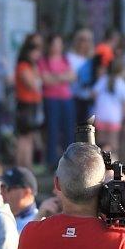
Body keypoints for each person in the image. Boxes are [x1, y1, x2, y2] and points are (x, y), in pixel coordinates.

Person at [40, 34, 76, 168]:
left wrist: (56, 77)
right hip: (51, 98)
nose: (57, 47)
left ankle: (69, 161)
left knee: (68, 130)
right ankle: (52, 162)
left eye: (59, 44)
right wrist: (62, 77)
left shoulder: (65, 59)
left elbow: (72, 76)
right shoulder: (43, 61)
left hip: (66, 98)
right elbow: (46, 80)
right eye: (55, 44)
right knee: (52, 130)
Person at [13, 36, 44, 168]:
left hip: (33, 104)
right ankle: (21, 165)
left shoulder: (32, 66)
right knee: (23, 137)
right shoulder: (23, 66)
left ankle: (28, 165)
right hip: (25, 104)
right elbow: (33, 84)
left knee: (30, 137)